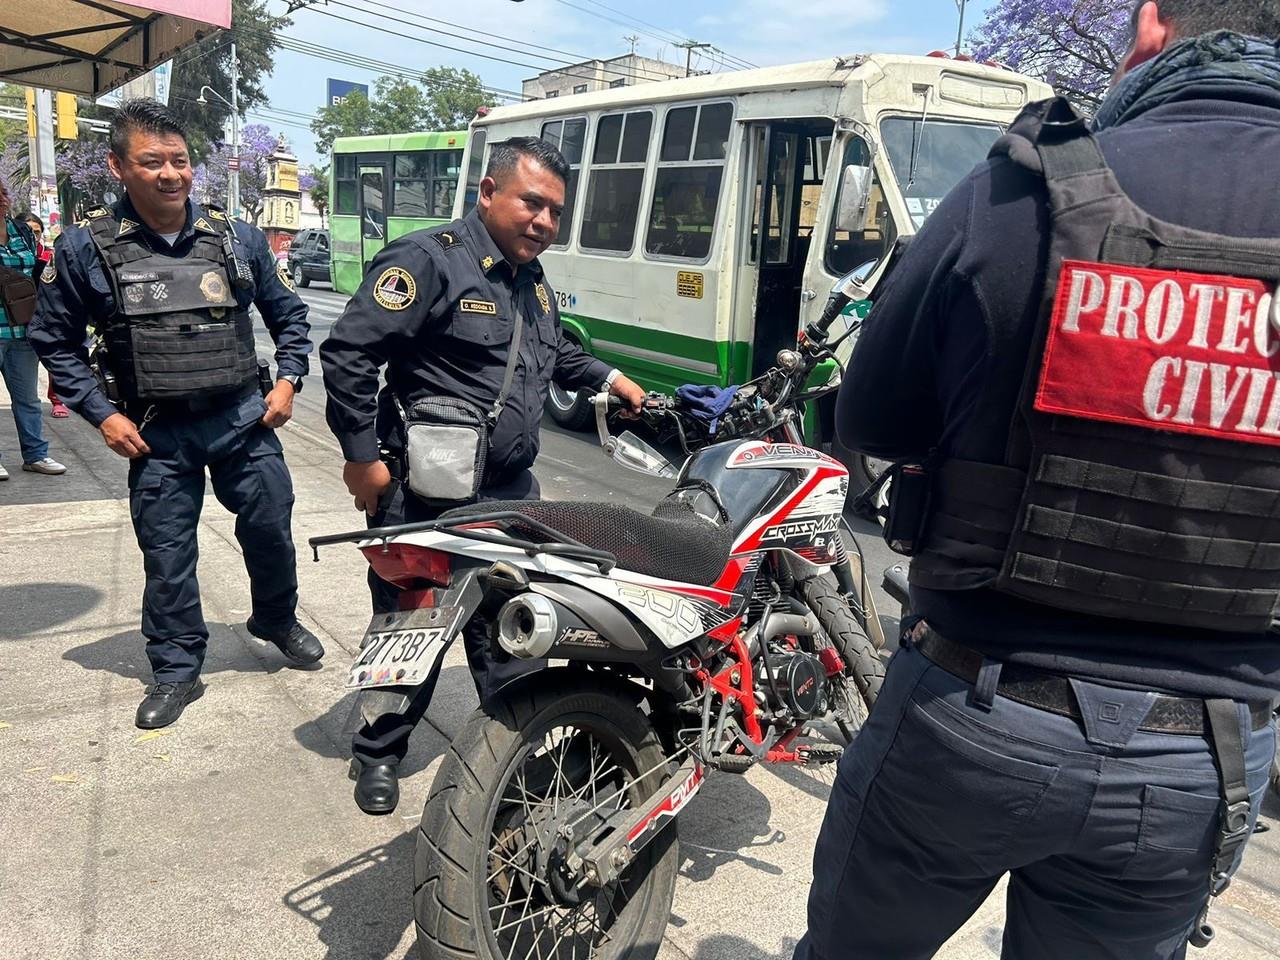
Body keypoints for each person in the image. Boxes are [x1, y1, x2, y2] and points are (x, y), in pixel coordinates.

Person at [797, 3, 1280, 959]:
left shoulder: (1022, 188)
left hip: (971, 713)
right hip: (1201, 753)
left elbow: (869, 419)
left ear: (1149, 27)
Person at [321, 137, 646, 814]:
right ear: (489, 193)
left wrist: (617, 381)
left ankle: (513, 761)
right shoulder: (429, 259)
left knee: (517, 631)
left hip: (508, 496)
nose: (544, 222)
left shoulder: (534, 286)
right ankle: (379, 752)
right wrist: (362, 457)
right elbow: (350, 354)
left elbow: (557, 360)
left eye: (556, 212)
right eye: (532, 203)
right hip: (424, 496)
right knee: (410, 630)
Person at [29, 99, 324, 729]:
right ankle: (175, 667)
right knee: (167, 555)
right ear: (118, 167)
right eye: (152, 161)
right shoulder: (87, 249)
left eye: (181, 161)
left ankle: (275, 617)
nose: (171, 174)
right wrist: (102, 415)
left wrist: (290, 379)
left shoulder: (235, 237)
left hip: (244, 418)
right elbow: (52, 340)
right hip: (157, 432)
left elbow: (288, 314)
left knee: (271, 529)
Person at [0, 179, 66, 480]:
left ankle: (36, 454)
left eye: (2, 193)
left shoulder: (21, 230)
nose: (2, 199)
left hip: (22, 330)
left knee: (27, 399)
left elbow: (37, 268)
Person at [23, 214, 70, 419]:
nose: (33, 236)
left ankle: (58, 399)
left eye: (36, 232)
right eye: (27, 231)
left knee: (54, 359)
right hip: (16, 319)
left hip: (44, 315)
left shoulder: (49, 257)